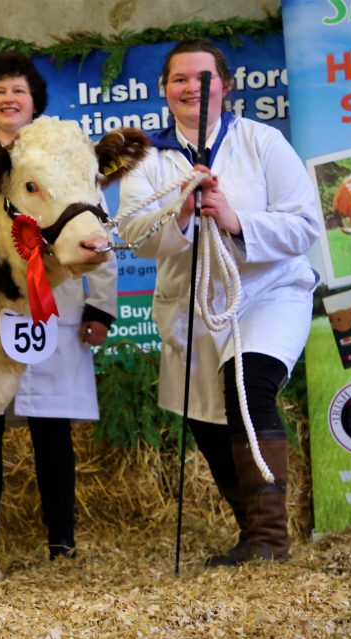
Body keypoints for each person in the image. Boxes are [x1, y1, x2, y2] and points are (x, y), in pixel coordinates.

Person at [117, 39, 322, 565]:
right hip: (191, 306)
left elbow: (304, 226)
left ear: (225, 87)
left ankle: (271, 543)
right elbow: (137, 234)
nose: (190, 88)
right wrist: (180, 212)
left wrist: (235, 220)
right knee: (207, 422)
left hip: (268, 292)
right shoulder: (147, 158)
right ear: (164, 90)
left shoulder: (263, 142)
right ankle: (250, 533)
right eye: (179, 79)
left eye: (202, 78)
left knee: (247, 386)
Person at [0, 52, 117, 559]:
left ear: (36, 102)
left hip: (52, 306)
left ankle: (62, 541)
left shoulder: (67, 158)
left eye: (19, 91)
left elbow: (96, 228)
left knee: (50, 426)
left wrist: (101, 307)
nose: (9, 100)